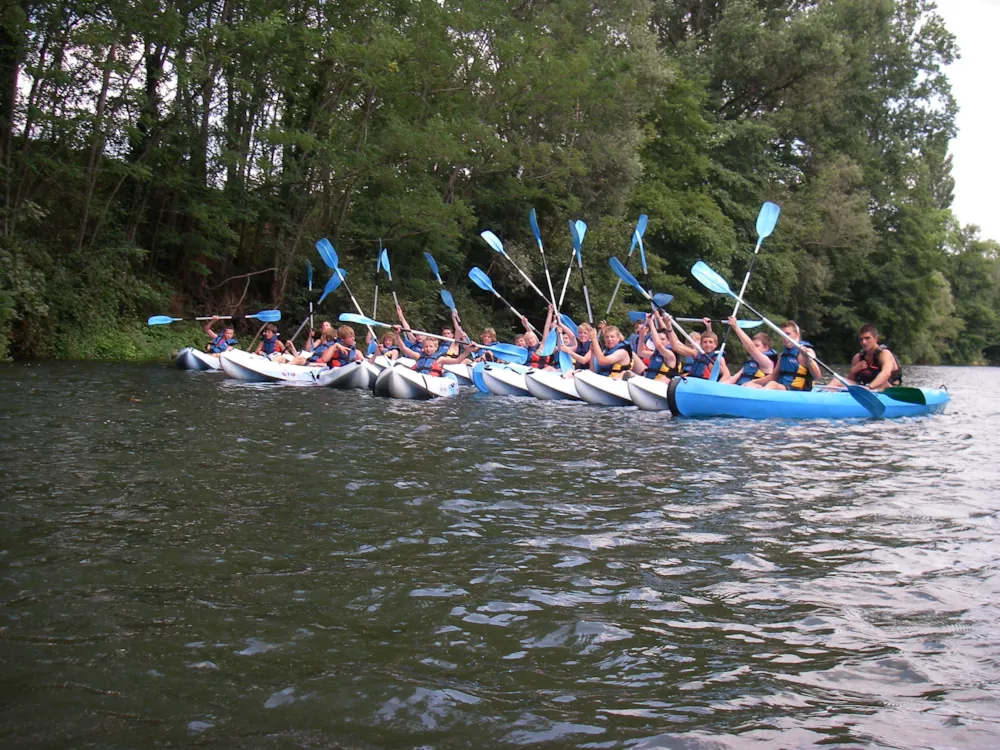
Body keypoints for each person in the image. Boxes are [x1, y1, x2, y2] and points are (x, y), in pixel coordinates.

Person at [743, 320, 821, 391]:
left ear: (797, 335)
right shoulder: (783, 355)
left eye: (788, 334)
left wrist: (807, 358)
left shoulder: (807, 352)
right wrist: (753, 382)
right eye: (782, 335)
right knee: (753, 385)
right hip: (783, 388)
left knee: (772, 384)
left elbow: (817, 376)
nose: (785, 338)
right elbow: (773, 376)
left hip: (798, 390)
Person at [840, 324, 902, 390]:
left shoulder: (885, 354)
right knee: (837, 381)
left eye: (867, 338)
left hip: (888, 389)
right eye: (861, 339)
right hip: (866, 389)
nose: (863, 342)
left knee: (883, 383)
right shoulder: (857, 358)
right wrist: (853, 371)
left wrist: (869, 387)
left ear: (876, 338)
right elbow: (850, 382)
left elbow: (886, 374)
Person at [393, 326, 472, 375]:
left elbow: (458, 360)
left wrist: (468, 350)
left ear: (436, 348)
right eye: (426, 346)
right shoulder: (419, 356)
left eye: (431, 346)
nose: (428, 349)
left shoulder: (440, 359)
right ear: (423, 347)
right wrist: (396, 334)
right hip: (419, 377)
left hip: (431, 381)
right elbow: (404, 348)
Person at [720, 317, 776, 385]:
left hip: (753, 391)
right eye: (754, 345)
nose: (755, 348)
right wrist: (717, 386)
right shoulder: (750, 362)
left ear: (766, 348)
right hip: (740, 388)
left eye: (757, 346)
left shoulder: (767, 362)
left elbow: (751, 348)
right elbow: (732, 379)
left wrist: (736, 327)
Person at [633, 312, 680, 381]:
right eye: (658, 338)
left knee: (663, 379)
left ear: (668, 341)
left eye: (663, 339)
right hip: (651, 379)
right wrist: (641, 335)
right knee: (632, 355)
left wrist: (650, 322)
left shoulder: (670, 355)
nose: (660, 341)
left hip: (663, 384)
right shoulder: (656, 354)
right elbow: (640, 352)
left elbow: (658, 345)